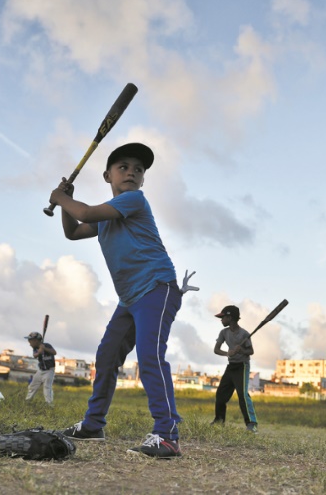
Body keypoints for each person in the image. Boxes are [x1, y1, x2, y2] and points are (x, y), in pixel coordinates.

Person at [49, 142, 197, 459]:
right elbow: (73, 231)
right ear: (107, 175)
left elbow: (84, 211)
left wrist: (62, 197)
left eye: (138, 170)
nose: (131, 172)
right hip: (129, 297)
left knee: (149, 356)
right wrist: (65, 204)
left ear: (143, 180)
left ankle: (167, 435)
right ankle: (93, 424)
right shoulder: (106, 217)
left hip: (157, 288)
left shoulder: (134, 200)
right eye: (123, 167)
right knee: (106, 356)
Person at [211, 305, 258, 433]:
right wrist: (228, 353)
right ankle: (219, 421)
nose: (221, 320)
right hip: (231, 366)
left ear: (230, 318)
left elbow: (250, 351)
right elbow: (216, 350)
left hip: (242, 366)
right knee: (221, 394)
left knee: (242, 395)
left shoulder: (244, 334)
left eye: (223, 317)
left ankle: (252, 423)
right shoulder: (224, 333)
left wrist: (241, 349)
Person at [25, 331, 57, 404]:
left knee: (47, 387)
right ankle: (27, 401)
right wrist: (40, 351)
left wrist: (45, 348)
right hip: (41, 370)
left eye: (30, 341)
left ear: (35, 341)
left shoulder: (47, 345)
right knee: (32, 386)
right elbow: (35, 355)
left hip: (49, 370)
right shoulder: (35, 348)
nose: (29, 343)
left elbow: (54, 352)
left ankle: (49, 404)